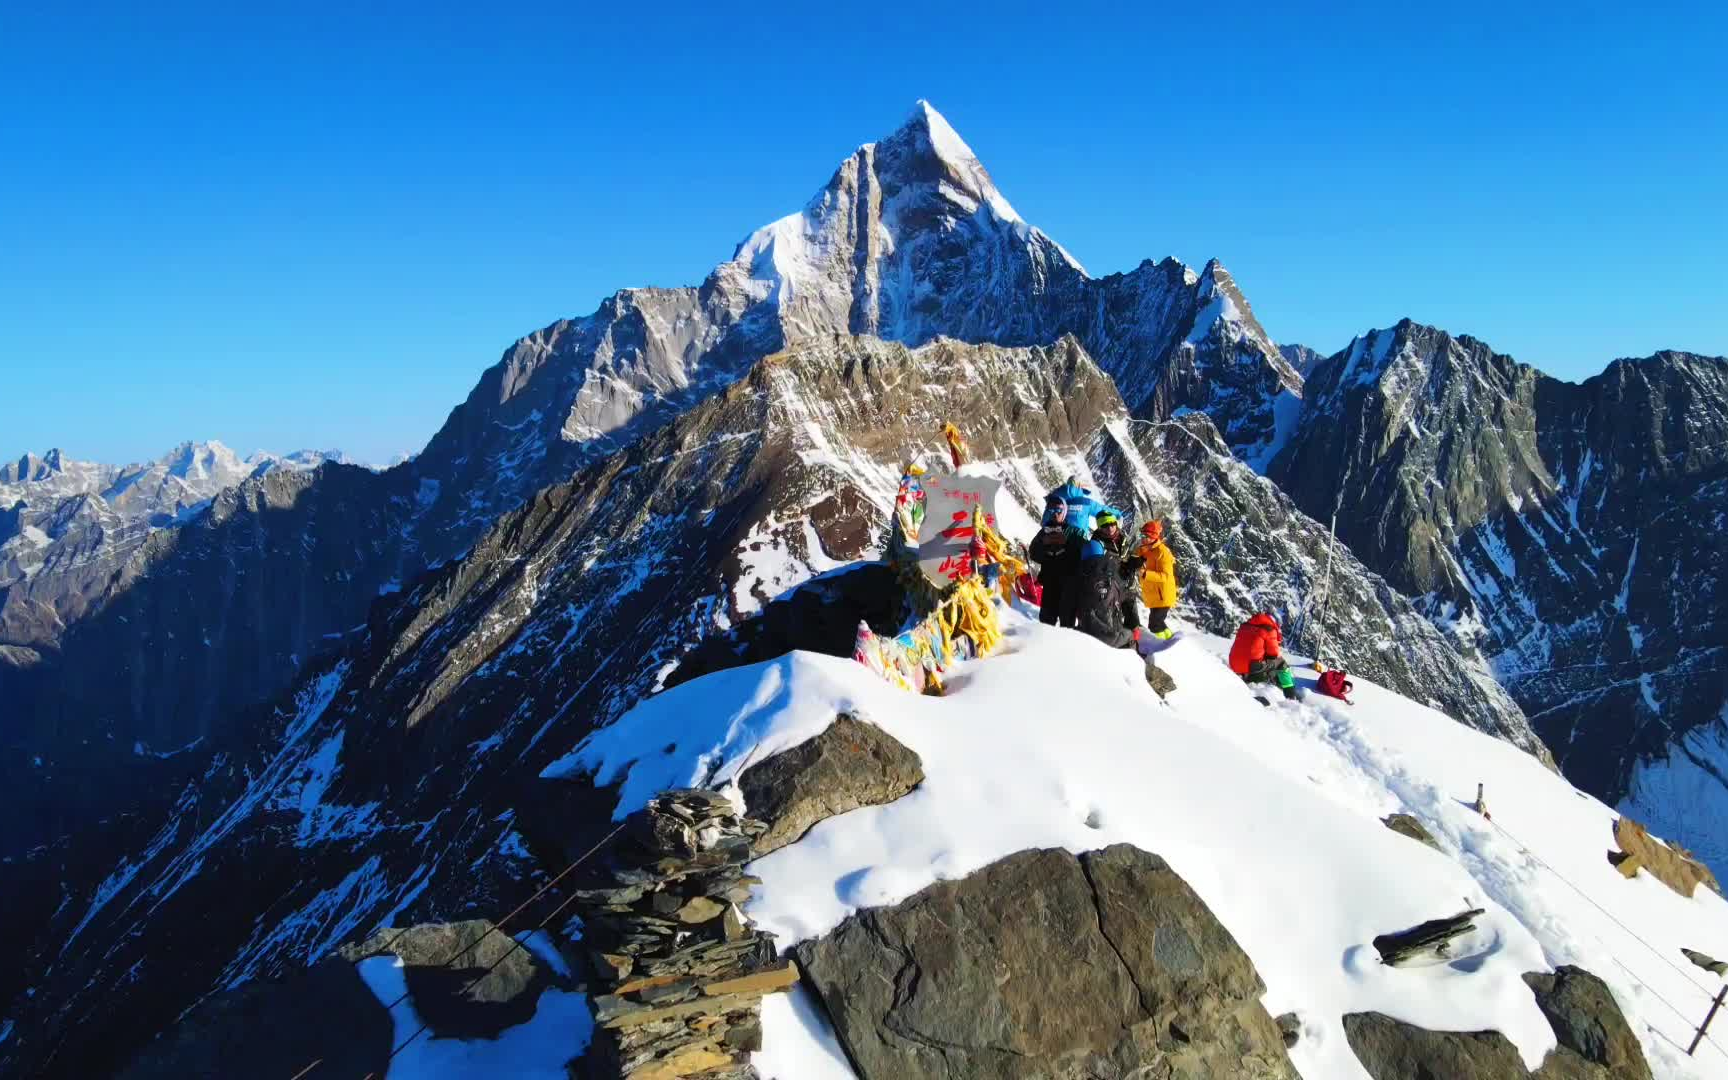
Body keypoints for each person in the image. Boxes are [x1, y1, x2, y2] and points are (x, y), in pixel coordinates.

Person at [1028, 495, 1080, 628]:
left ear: (1065, 512)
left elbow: (1081, 555)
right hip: (1050, 584)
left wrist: (1066, 544)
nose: (1055, 514)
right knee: (1046, 623)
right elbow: (1033, 553)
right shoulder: (1044, 532)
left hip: (1069, 585)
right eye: (1051, 510)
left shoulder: (1074, 532)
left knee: (1067, 625)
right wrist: (1044, 545)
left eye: (1059, 511)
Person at [1090, 510, 1142, 633]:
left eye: (1113, 523)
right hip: (1111, 592)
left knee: (1133, 623)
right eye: (1105, 525)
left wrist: (1134, 562)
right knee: (1114, 625)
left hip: (1128, 587)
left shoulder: (1122, 538)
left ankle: (1135, 647)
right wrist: (1122, 566)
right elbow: (1098, 569)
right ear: (1099, 527)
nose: (1110, 527)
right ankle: (1118, 650)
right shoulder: (1096, 544)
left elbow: (1128, 555)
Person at [1229, 612, 1299, 700]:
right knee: (1281, 663)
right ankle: (1291, 695)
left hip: (1234, 664)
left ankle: (1253, 676)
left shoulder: (1244, 626)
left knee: (1263, 661)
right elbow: (1273, 654)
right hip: (1251, 667)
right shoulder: (1269, 629)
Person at [1135, 521, 1178, 640]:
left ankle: (1159, 645)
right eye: (1142, 536)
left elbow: (1165, 576)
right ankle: (1171, 641)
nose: (1142, 539)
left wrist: (1146, 574)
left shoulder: (1162, 552)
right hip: (1155, 596)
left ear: (1153, 537)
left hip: (1163, 596)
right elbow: (1137, 558)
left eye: (1145, 536)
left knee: (1154, 624)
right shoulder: (1144, 550)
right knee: (1158, 623)